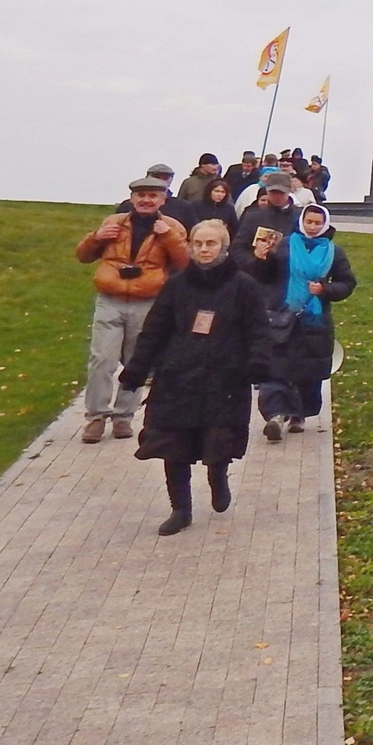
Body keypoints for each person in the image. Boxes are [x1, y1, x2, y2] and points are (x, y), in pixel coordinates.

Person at [117, 219, 273, 535]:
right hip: (178, 376)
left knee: (218, 439)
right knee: (172, 444)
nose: (204, 249)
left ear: (224, 247)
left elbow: (259, 329)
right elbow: (155, 330)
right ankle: (181, 508)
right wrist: (136, 370)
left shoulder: (244, 287)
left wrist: (258, 363)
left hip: (224, 377)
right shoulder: (176, 286)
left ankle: (218, 476)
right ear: (190, 246)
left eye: (211, 243)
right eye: (198, 243)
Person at [73, 178, 191, 443]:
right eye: (140, 195)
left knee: (137, 360)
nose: (146, 200)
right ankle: (95, 417)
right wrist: (96, 238)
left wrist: (168, 236)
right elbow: (82, 255)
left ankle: (123, 417)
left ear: (163, 199)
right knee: (102, 359)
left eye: (152, 195)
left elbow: (185, 263)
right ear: (132, 198)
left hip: (147, 301)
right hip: (110, 298)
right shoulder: (113, 222)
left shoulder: (172, 227)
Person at [241, 201, 357, 437]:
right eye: (309, 222)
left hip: (314, 321)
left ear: (325, 224)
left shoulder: (334, 252)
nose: (313, 227)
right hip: (281, 316)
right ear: (301, 222)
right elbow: (265, 278)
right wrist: (261, 259)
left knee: (308, 372)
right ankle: (275, 415)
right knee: (275, 368)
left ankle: (298, 414)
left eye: (317, 222)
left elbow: (347, 283)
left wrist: (325, 290)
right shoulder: (283, 246)